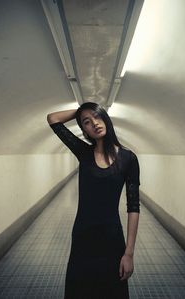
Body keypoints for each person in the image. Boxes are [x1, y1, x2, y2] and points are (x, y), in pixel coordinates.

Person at [47, 101, 140, 299]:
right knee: (80, 291)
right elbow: (53, 119)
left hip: (112, 239)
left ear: (105, 118)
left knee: (112, 291)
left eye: (97, 117)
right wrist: (81, 112)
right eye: (87, 122)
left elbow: (133, 207)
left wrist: (129, 253)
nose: (94, 123)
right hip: (83, 237)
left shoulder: (128, 159)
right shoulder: (84, 153)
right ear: (85, 131)